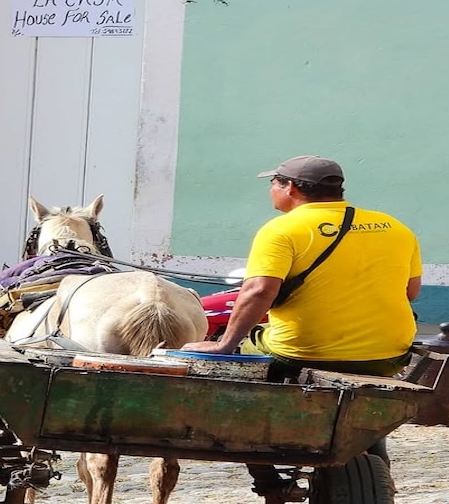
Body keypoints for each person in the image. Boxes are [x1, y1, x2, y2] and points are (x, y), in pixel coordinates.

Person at [181, 155, 422, 382]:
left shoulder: (281, 230)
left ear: (290, 188)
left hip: (300, 354)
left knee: (244, 342)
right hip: (389, 356)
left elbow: (259, 291)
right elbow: (411, 292)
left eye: (273, 183)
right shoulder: (394, 226)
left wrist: (224, 345)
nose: (270, 190)